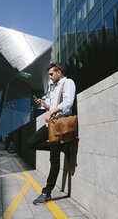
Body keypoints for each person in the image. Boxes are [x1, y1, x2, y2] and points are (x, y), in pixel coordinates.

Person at [28, 62, 76, 205]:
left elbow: (68, 103)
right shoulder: (56, 88)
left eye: (51, 74)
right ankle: (62, 147)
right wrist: (45, 106)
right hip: (53, 123)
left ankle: (46, 193)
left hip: (60, 125)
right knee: (31, 143)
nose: (49, 77)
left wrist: (51, 111)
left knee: (54, 161)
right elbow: (56, 107)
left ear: (59, 72)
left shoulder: (68, 82)